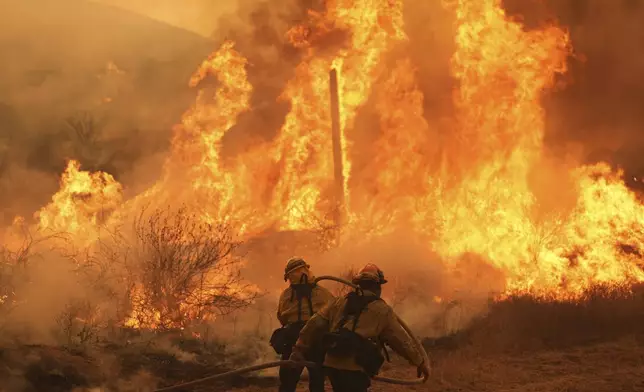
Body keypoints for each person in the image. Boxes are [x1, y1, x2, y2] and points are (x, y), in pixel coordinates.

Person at [289, 263, 430, 392]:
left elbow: (314, 324)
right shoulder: (382, 310)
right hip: (355, 369)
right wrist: (420, 362)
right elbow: (401, 340)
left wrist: (299, 348)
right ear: (377, 286)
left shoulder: (338, 302)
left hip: (332, 365)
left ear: (358, 285)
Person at [271, 257, 334, 392]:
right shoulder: (323, 293)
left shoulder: (287, 295)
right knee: (313, 382)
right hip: (308, 340)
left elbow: (281, 317)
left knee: (289, 383)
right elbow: (333, 316)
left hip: (301, 340)